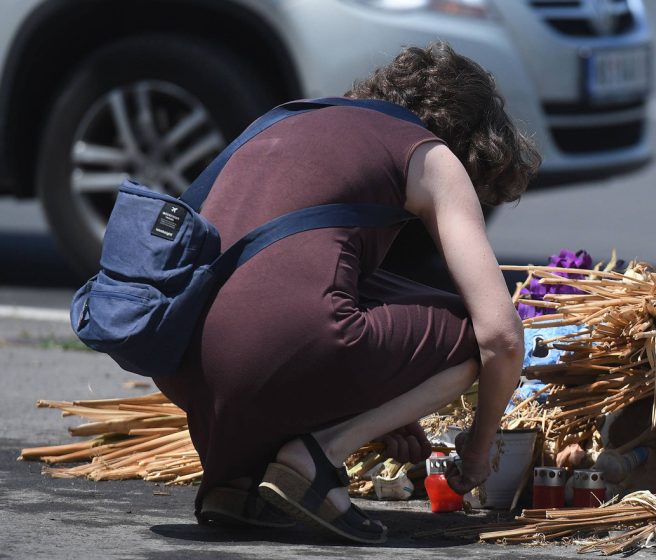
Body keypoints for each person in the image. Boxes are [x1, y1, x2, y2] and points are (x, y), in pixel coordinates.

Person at [153, 42, 541, 543]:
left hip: (178, 358)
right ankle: (316, 460)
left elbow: (270, 279)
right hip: (270, 347)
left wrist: (381, 408)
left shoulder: (287, 118)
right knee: (467, 333)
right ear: (469, 139)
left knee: (335, 299)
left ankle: (237, 482)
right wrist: (479, 448)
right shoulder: (429, 153)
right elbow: (502, 338)